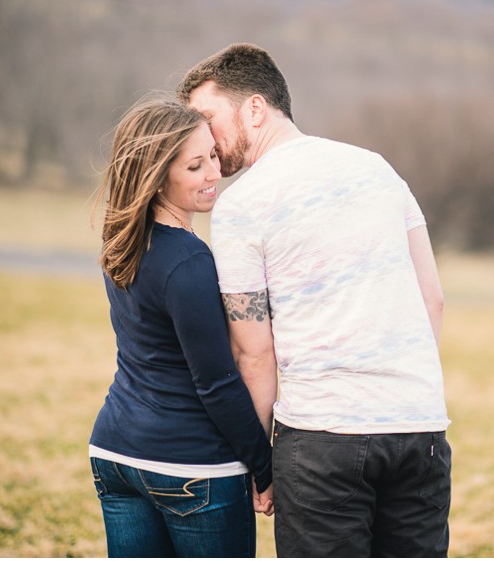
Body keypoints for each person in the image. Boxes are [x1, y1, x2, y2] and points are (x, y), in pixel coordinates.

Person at [176, 43, 452, 557]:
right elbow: (432, 300)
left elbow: (255, 353)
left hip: (322, 439)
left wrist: (262, 463)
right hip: (420, 427)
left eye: (207, 119)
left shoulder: (241, 204)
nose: (201, 138)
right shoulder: (379, 169)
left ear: (255, 108)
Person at [88, 97, 274, 558]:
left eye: (213, 155)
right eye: (195, 166)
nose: (215, 173)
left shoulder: (123, 243)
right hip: (191, 468)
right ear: (156, 177)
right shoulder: (189, 263)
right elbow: (216, 382)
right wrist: (264, 466)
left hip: (115, 454)